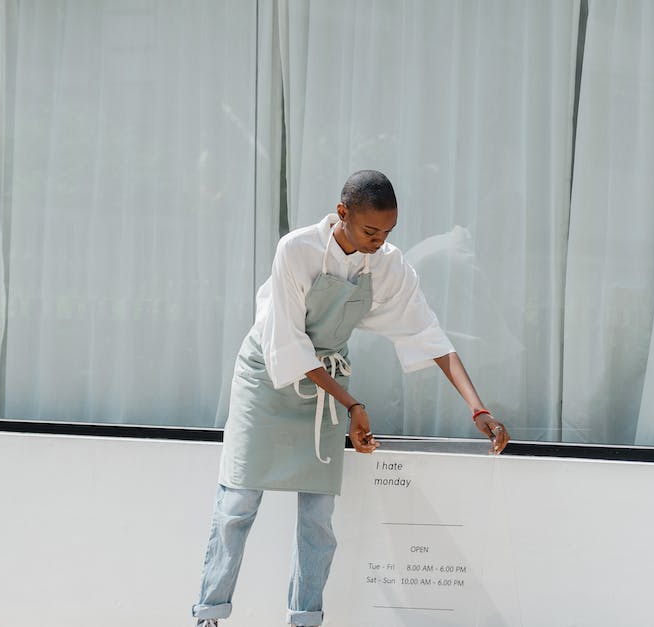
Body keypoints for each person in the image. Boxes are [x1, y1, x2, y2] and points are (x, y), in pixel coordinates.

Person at [191, 170, 510, 627]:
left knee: (318, 518)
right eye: (370, 230)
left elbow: (429, 333)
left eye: (387, 232)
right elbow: (288, 346)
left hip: (328, 387)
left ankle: (304, 621)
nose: (380, 241)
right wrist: (352, 404)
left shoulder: (388, 264)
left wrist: (478, 409)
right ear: (342, 213)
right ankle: (209, 615)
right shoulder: (296, 250)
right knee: (237, 504)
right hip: (267, 377)